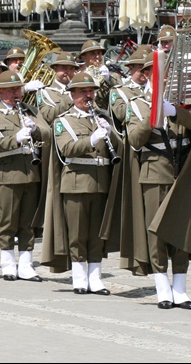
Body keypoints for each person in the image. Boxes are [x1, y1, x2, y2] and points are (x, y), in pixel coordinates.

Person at [126, 51, 191, 309]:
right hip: (155, 173)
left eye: (168, 74)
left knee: (181, 230)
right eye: (158, 73)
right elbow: (135, 140)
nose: (165, 78)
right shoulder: (136, 103)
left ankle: (180, 288)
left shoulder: (181, 101)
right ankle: (162, 288)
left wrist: (174, 112)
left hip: (181, 171)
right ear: (147, 75)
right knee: (156, 232)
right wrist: (152, 116)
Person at [0, 70, 51, 281]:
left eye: (18, 88)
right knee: (8, 220)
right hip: (7, 174)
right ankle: (8, 262)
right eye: (10, 89)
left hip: (31, 171)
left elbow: (47, 134)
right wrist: (15, 138)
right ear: (0, 91)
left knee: (28, 222)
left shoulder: (30, 111)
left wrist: (35, 129)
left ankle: (26, 264)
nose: (16, 93)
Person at [52, 72, 120, 295]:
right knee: (78, 232)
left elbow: (119, 148)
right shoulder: (63, 121)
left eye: (90, 91)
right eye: (82, 91)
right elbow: (66, 149)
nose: (88, 95)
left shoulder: (101, 117)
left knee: (97, 233)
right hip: (77, 182)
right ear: (72, 94)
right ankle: (79, 277)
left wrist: (110, 133)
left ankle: (95, 277)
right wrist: (91, 139)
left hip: (101, 181)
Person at [37, 52, 79, 126]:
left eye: (71, 68)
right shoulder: (44, 92)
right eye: (64, 68)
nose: (68, 72)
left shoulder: (80, 89)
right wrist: (70, 98)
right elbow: (48, 116)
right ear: (55, 69)